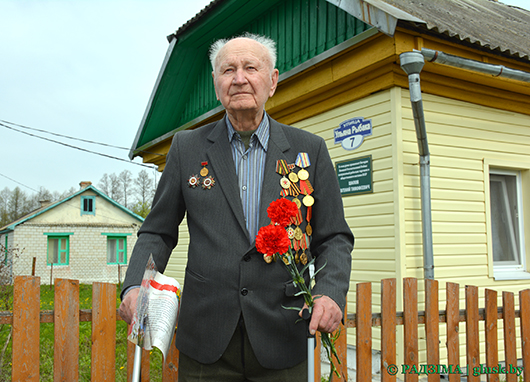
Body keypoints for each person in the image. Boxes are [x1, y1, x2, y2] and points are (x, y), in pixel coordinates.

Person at [119, 33, 354, 381]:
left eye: (250, 68)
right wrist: (135, 284)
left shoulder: (310, 150)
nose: (239, 78)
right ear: (217, 84)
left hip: (284, 333)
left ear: (272, 81)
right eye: (228, 70)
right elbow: (158, 230)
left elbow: (334, 236)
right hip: (207, 338)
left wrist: (330, 293)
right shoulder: (187, 148)